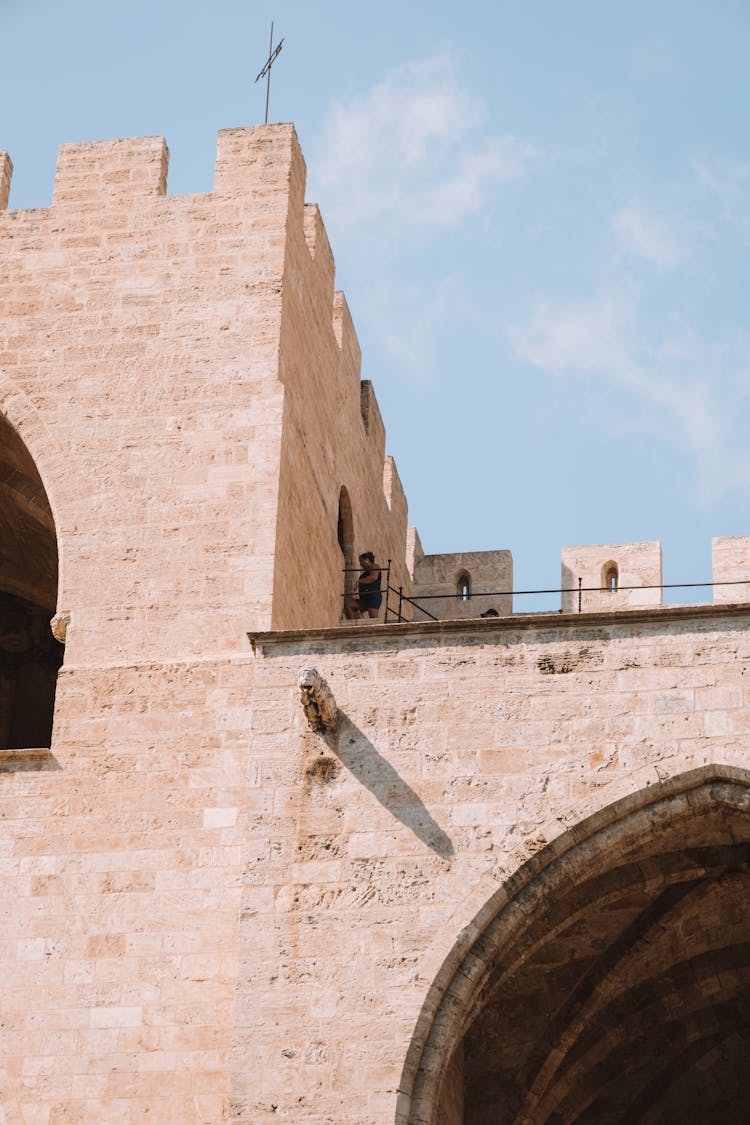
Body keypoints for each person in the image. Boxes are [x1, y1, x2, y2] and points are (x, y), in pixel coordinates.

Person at [345, 552, 383, 619]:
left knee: (373, 619)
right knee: (348, 604)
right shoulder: (365, 573)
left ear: (367, 560)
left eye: (361, 561)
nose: (361, 564)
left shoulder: (374, 566)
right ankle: (353, 624)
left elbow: (373, 577)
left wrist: (358, 582)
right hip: (364, 599)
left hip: (372, 597)